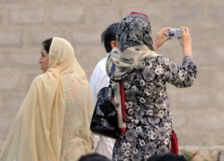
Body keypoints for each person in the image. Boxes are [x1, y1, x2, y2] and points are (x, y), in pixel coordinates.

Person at [107, 12, 197, 161]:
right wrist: (187, 47)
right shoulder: (158, 64)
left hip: (126, 143)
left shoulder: (114, 63)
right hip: (154, 143)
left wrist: (154, 46)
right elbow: (187, 78)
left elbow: (136, 59)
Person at [0, 37, 93, 161]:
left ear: (56, 56)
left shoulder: (44, 83)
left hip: (51, 154)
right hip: (80, 154)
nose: (39, 61)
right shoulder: (82, 83)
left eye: (43, 55)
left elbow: (27, 124)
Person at [90, 23, 120, 158]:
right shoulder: (108, 69)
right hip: (108, 142)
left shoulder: (106, 64)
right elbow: (105, 114)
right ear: (115, 44)